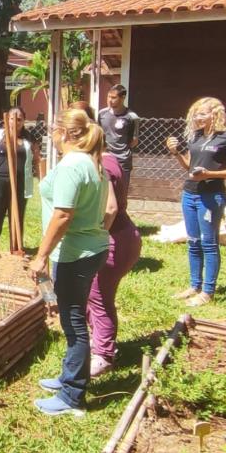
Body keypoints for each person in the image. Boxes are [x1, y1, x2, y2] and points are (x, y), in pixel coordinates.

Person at [30, 108, 109, 416]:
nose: (52, 136)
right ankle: (68, 377)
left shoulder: (72, 165)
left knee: (74, 323)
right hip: (92, 247)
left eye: (54, 130)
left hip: (76, 253)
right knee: (73, 318)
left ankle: (72, 396)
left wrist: (40, 256)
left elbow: (63, 215)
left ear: (65, 132)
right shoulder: (91, 162)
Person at [72, 103, 142, 377]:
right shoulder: (110, 157)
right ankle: (101, 342)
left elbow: (110, 208)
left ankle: (103, 355)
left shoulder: (98, 164)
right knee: (96, 295)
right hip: (125, 236)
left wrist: (96, 235)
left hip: (115, 238)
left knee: (97, 296)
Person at [166, 97, 226, 306]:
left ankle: (208, 291)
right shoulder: (197, 137)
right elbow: (190, 167)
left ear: (215, 114)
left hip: (211, 196)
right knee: (193, 242)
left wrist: (210, 173)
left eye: (202, 114)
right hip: (189, 193)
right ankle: (194, 285)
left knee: (209, 243)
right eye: (196, 114)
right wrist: (176, 153)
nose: (198, 118)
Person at [0, 107, 37, 246]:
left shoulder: (29, 138)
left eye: (19, 120)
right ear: (7, 119)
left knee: (17, 215)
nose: (15, 122)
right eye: (12, 119)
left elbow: (38, 159)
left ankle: (16, 248)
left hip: (19, 182)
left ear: (23, 121)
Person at [98, 84, 140, 188]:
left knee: (122, 193)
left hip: (122, 160)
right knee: (105, 192)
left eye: (113, 97)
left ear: (123, 98)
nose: (110, 100)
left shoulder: (132, 117)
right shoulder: (101, 114)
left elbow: (134, 140)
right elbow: (98, 134)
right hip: (105, 158)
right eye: (108, 97)